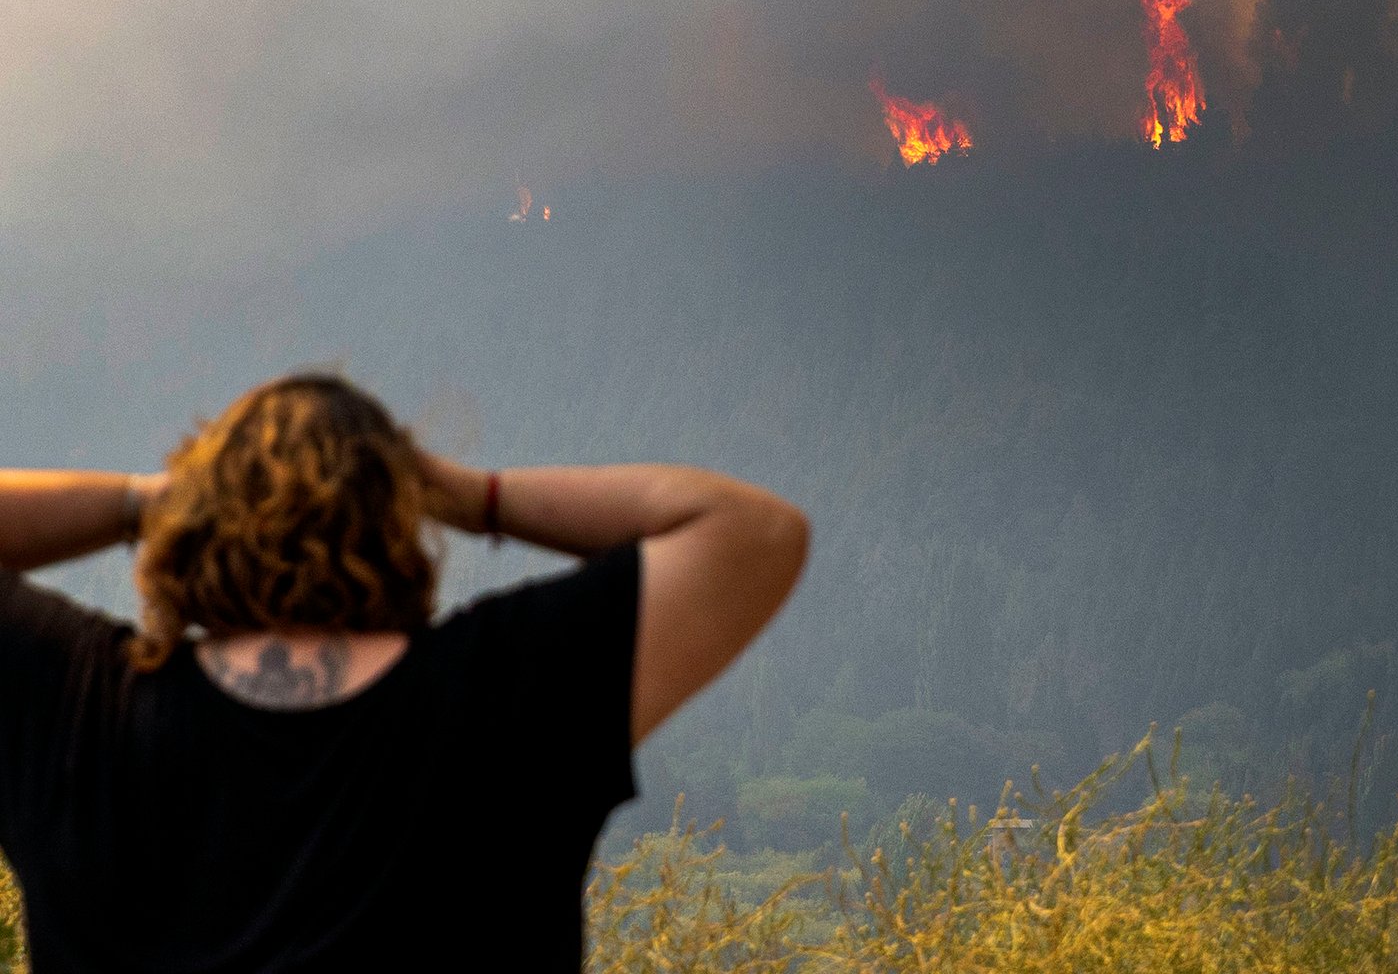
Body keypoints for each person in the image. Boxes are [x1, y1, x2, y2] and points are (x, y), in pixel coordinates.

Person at [0, 373, 809, 971]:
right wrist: (469, 493)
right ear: (402, 527)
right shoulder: (506, 689)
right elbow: (753, 532)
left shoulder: (79, 712)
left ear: (196, 533)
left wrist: (147, 501)